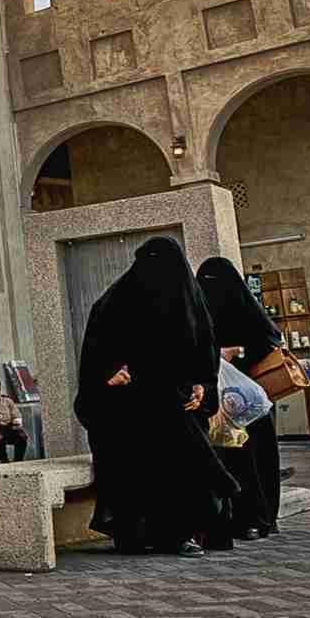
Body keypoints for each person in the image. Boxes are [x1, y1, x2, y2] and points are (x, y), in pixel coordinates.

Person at [74, 236, 238, 554]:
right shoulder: (113, 304)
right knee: (137, 456)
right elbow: (95, 359)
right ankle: (136, 533)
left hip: (177, 405)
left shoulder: (190, 305)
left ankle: (177, 533)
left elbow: (204, 356)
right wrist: (109, 375)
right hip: (127, 410)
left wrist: (202, 387)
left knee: (178, 456)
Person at [195, 254, 285, 538]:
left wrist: (235, 353)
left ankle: (259, 518)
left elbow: (268, 342)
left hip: (248, 402)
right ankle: (246, 518)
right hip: (230, 403)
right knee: (240, 461)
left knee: (253, 460)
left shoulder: (242, 313)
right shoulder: (204, 312)